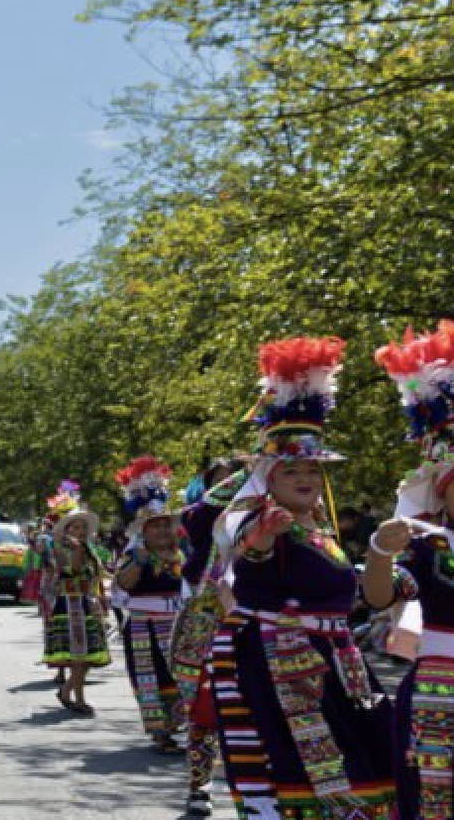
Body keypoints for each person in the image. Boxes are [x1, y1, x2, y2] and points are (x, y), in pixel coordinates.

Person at [213, 337, 394, 819]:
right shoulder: (267, 522)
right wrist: (263, 535)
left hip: (339, 662)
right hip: (282, 663)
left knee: (372, 757)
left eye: (312, 467)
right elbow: (248, 549)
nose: (305, 476)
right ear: (267, 477)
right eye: (290, 468)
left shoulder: (322, 530)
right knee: (310, 768)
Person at [366, 322, 454, 819]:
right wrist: (379, 551)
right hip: (441, 689)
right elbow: (381, 597)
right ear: (441, 490)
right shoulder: (426, 544)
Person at [173, 457, 245, 816]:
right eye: (223, 481)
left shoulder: (277, 520)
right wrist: (253, 470)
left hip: (259, 624)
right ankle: (199, 785)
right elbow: (207, 508)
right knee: (203, 713)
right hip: (207, 623)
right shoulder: (201, 521)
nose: (232, 485)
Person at [111, 457, 185, 753]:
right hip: (144, 625)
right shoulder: (134, 557)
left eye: (166, 526)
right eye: (156, 527)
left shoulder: (182, 557)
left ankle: (178, 725)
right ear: (143, 532)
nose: (163, 532)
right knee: (150, 677)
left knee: (180, 675)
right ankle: (160, 733)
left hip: (176, 623)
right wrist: (140, 560)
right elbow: (125, 584)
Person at [40, 493, 110, 715]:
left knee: (88, 658)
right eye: (75, 527)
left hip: (87, 603)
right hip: (70, 606)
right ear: (67, 530)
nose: (80, 531)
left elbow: (96, 575)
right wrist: (79, 548)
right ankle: (79, 699)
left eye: (83, 528)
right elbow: (75, 570)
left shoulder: (89, 550)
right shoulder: (60, 550)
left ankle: (66, 690)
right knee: (79, 657)